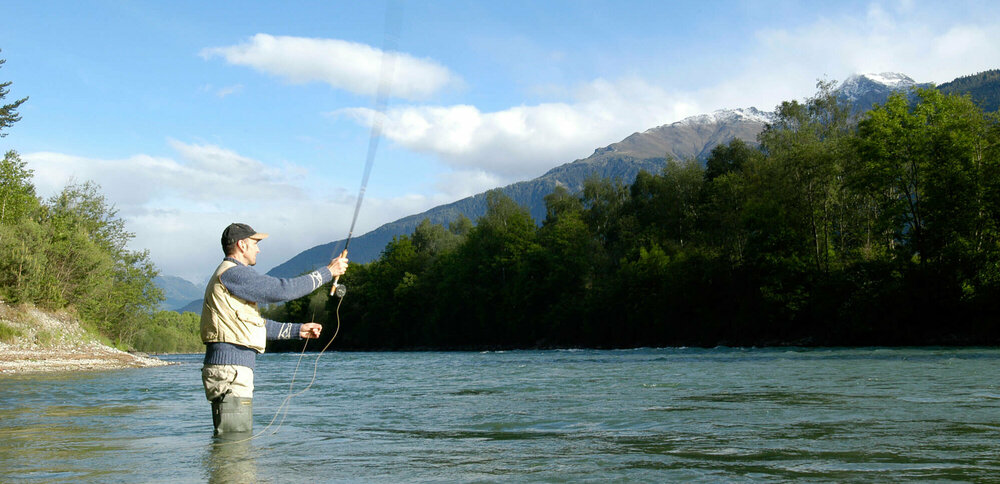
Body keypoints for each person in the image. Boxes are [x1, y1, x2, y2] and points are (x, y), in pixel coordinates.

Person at [200, 222, 349, 435]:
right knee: (234, 443)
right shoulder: (234, 274)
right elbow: (281, 290)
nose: (258, 249)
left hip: (230, 370)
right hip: (230, 371)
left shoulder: (231, 276)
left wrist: (298, 330)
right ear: (242, 245)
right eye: (255, 243)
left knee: (235, 442)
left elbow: (254, 325)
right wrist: (328, 272)